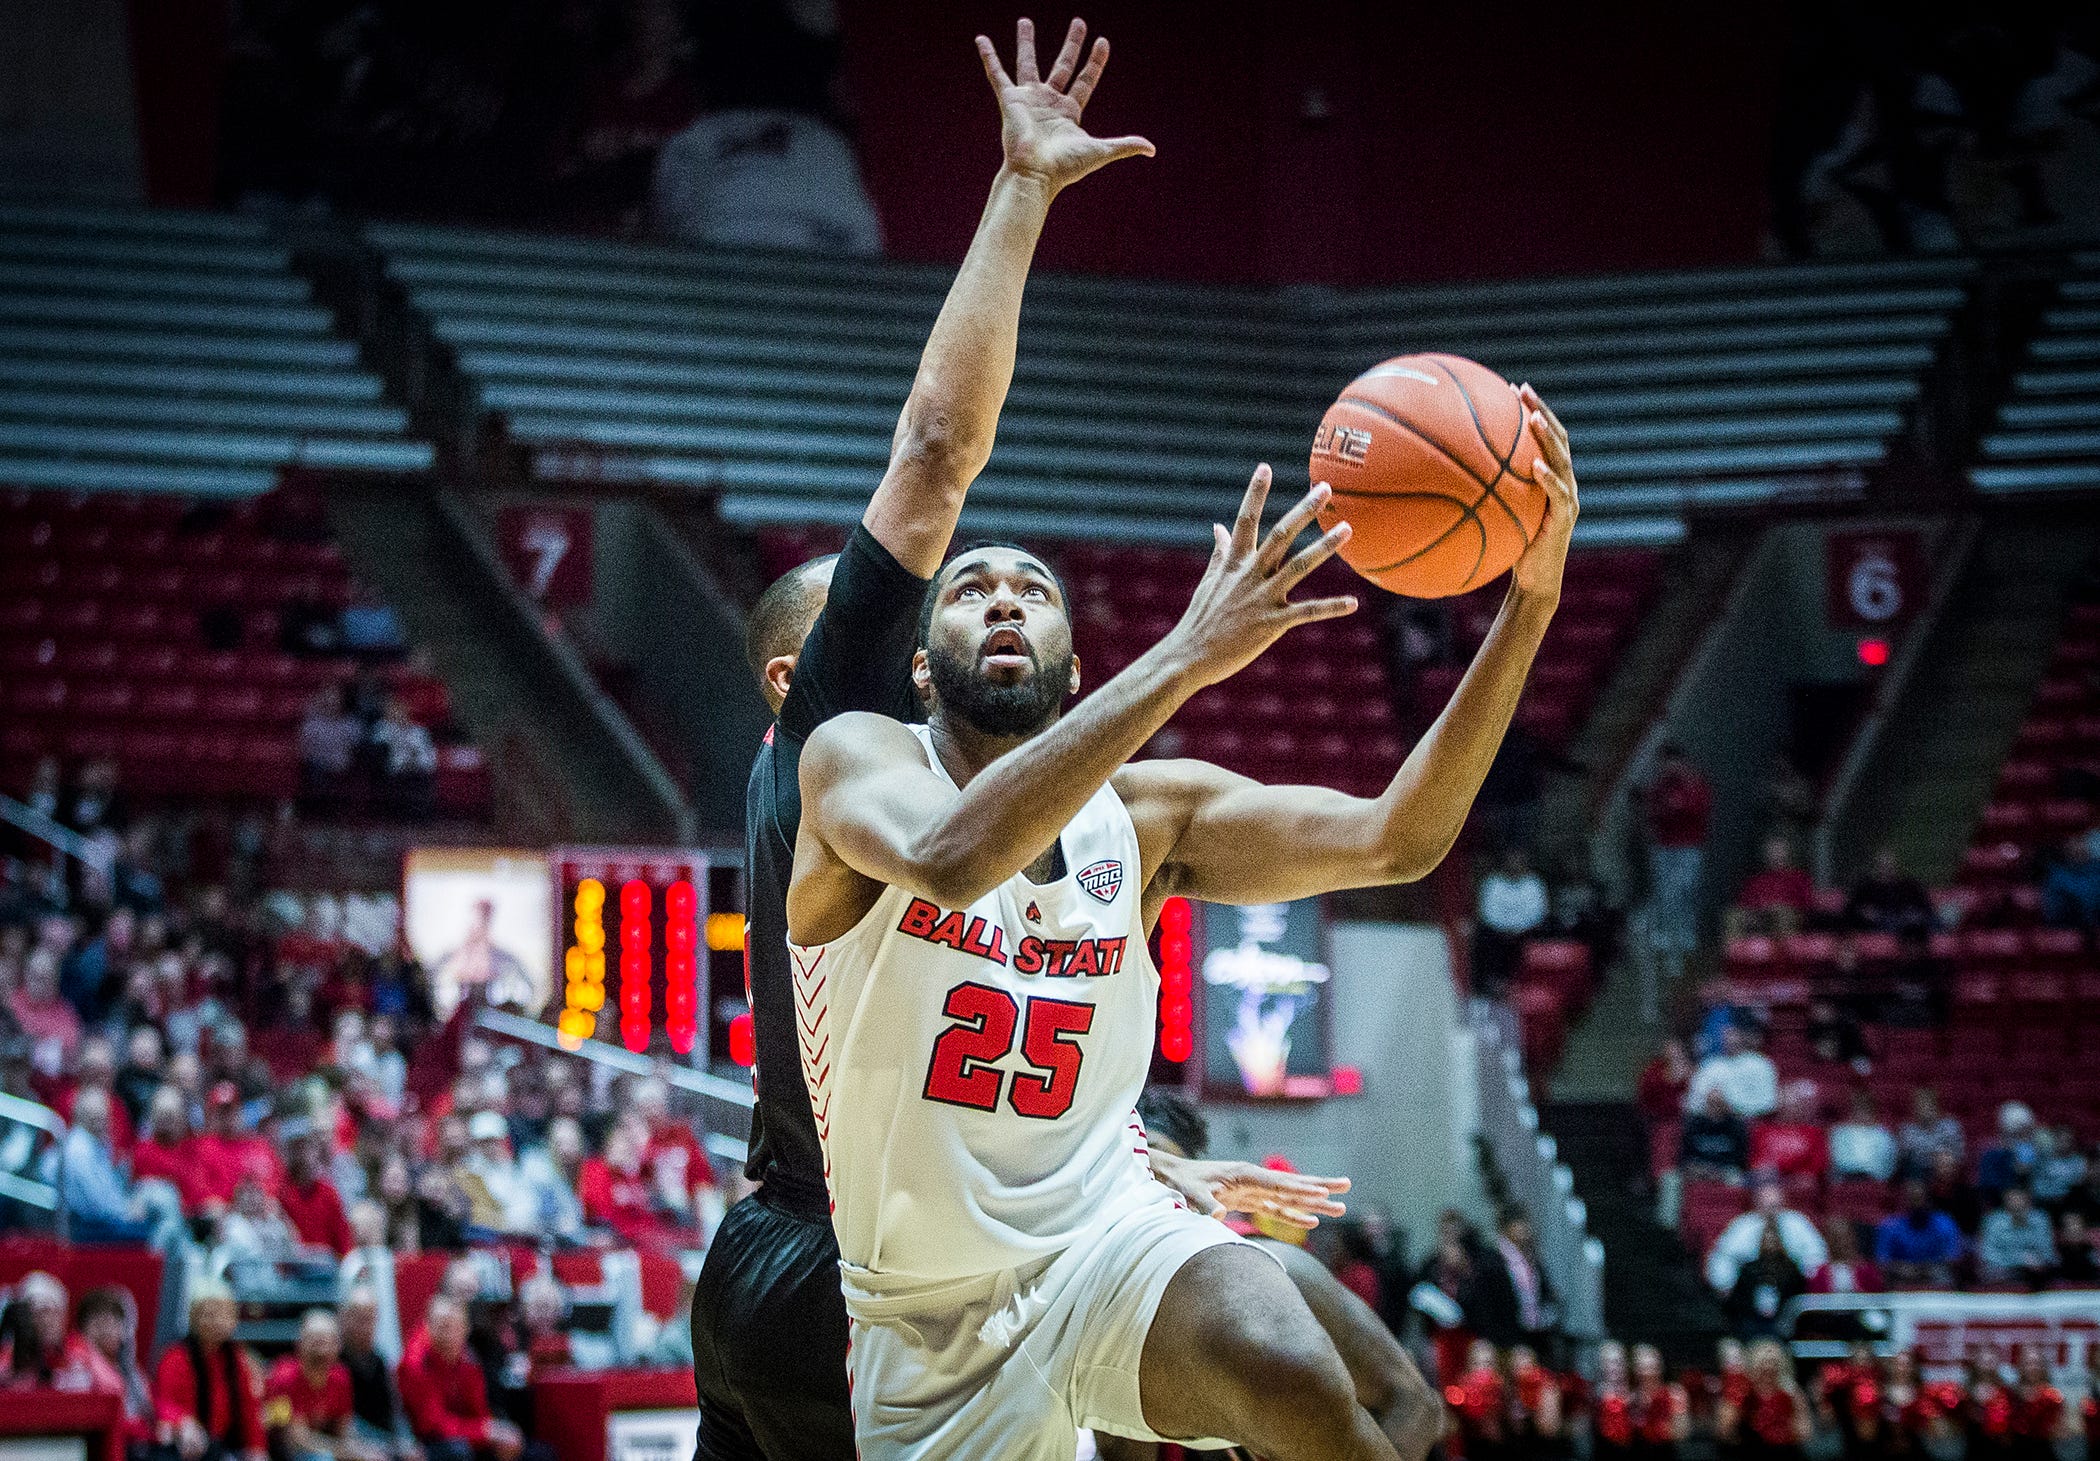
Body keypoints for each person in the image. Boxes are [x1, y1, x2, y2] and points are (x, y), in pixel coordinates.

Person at [693, 20, 1344, 1461]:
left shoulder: (837, 769)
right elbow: (936, 452)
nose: (924, 611)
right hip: (862, 1279)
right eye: (891, 615)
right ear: (806, 671)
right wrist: (1021, 189)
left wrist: (1145, 1172)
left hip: (759, 1256)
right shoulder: (847, 733)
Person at [785, 282, 1578, 1460]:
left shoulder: (1151, 818)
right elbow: (952, 861)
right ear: (917, 667)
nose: (1003, 600)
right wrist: (1187, 657)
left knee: (1288, 1364)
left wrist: (1532, 601)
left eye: (1033, 592)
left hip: (1108, 1242)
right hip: (925, 1313)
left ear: (1071, 666)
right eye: (970, 588)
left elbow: (1396, 839)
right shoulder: (858, 758)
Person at [1111, 1091, 1441, 1461]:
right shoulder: (1112, 1292)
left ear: (1199, 1178)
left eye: (1158, 1163)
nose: (1147, 1181)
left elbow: (1418, 1407)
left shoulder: (1273, 1264)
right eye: (1135, 1168)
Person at [397, 1296, 533, 1461]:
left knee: (535, 1451)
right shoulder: (416, 1364)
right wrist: (484, 1432)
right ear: (428, 1327)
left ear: (465, 1329)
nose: (448, 1334)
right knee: (459, 1451)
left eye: (453, 1327)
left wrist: (495, 1431)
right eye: (442, 1327)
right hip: (425, 1443)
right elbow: (432, 1425)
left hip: (465, 1436)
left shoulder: (468, 1359)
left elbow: (480, 1411)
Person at [53, 1085, 184, 1246]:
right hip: (93, 1229)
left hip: (105, 1218)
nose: (101, 1121)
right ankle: (164, 1260)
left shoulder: (92, 1144)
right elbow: (98, 1203)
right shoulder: (79, 1149)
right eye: (94, 1116)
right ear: (79, 1115)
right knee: (163, 1216)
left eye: (103, 1115)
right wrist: (127, 1213)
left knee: (164, 1197)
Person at [155, 1279, 266, 1461]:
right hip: (187, 1447)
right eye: (209, 1314)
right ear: (194, 1318)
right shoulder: (176, 1357)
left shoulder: (238, 1359)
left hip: (226, 1446)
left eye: (224, 1314)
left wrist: (257, 1448)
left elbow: (249, 1409)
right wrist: (183, 1422)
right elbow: (163, 1404)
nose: (217, 1321)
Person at [264, 1310, 386, 1461]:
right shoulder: (283, 1377)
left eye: (327, 1342)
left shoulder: (341, 1377)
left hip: (323, 1446)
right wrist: (349, 1452)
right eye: (316, 1342)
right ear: (299, 1344)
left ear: (338, 1346)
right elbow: (295, 1441)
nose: (322, 1351)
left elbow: (344, 1430)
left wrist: (363, 1451)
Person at [1642, 744, 1712, 980]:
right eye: (1662, 763)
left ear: (1679, 761)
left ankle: (1685, 939)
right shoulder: (1659, 786)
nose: (1666, 767)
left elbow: (1698, 811)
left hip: (1689, 847)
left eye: (1669, 762)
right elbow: (1653, 814)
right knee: (1666, 895)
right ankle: (1671, 945)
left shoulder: (1693, 782)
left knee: (1684, 893)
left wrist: (1676, 808)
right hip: (1664, 848)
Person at [1707, 1180, 1828, 1294]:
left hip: (1791, 1286)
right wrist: (1725, 1284)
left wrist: (1810, 1281)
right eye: (1767, 1206)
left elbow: (1816, 1255)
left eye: (1775, 1206)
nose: (1771, 1211)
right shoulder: (1743, 1225)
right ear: (1757, 1204)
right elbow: (1724, 1257)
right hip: (1749, 1289)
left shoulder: (1797, 1222)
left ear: (1782, 1203)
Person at [339, 1289, 419, 1461]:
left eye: (370, 1319)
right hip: (353, 1443)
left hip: (384, 1441)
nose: (365, 1326)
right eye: (359, 1318)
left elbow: (394, 1411)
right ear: (344, 1318)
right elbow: (342, 1421)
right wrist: (376, 1446)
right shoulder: (334, 1361)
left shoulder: (380, 1361)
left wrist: (406, 1442)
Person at [1716, 1340, 1811, 1461]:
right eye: (1764, 1362)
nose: (1769, 1367)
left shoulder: (1792, 1392)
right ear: (1754, 1364)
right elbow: (1724, 1430)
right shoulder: (1742, 1390)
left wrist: (1783, 1429)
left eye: (1774, 1362)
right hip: (1747, 1450)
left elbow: (1804, 1431)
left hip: (1785, 1451)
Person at [1473, 847, 1548, 996]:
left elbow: (1538, 913)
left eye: (1518, 859)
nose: (1514, 863)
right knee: (1483, 936)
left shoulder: (1534, 883)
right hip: (1497, 933)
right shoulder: (1493, 883)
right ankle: (1492, 983)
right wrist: (1504, 930)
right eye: (1511, 859)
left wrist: (1519, 929)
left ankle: (1533, 982)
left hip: (1527, 932)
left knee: (1545, 931)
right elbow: (1488, 913)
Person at [278, 1121, 355, 1256]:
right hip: (293, 1265)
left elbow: (343, 1241)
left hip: (326, 1265)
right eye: (296, 1148)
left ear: (314, 1150)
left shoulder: (328, 1193)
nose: (301, 1155)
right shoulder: (281, 1193)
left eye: (305, 1147)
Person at [1874, 1180, 1965, 1288]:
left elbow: (1954, 1257)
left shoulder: (1945, 1223)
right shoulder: (1890, 1226)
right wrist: (1901, 1268)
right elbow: (1883, 1261)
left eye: (1920, 1199)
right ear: (1905, 1202)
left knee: (1943, 1276)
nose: (1917, 1205)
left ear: (1928, 1200)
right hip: (1902, 1275)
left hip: (1935, 1273)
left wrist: (1926, 1269)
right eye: (1912, 1200)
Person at [1724, 1221, 1807, 1339]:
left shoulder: (1791, 1270)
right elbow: (1737, 1302)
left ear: (1779, 1242)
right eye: (1766, 1240)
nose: (1770, 1245)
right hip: (1752, 1325)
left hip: (1783, 1325)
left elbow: (1796, 1300)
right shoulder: (1749, 1269)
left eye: (1773, 1241)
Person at [1686, 1024, 1779, 1121]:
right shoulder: (1709, 1065)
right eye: (1726, 1035)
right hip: (1711, 1121)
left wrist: (1732, 1108)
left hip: (1750, 1122)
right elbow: (1692, 1102)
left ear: (1742, 1036)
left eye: (1733, 1034)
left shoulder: (1761, 1064)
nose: (1729, 1039)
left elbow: (1768, 1102)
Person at [1729, 836, 1816, 939]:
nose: (1775, 855)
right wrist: (1761, 909)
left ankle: (1784, 948)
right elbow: (1744, 903)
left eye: (1779, 851)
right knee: (1733, 916)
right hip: (1761, 915)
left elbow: (1808, 905)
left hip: (1789, 916)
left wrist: (1782, 907)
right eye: (1772, 851)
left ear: (1788, 853)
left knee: (1782, 914)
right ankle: (1735, 948)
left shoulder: (1799, 877)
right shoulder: (1757, 880)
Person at [1977, 1185, 2057, 1287]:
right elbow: (1988, 1254)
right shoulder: (1993, 1221)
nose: (2017, 1204)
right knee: (1991, 1272)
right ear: (2005, 1202)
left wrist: (2039, 1261)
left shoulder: (2041, 1220)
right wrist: (2019, 1260)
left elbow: (2048, 1251)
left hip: (2035, 1270)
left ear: (2029, 1201)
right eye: (2013, 1200)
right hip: (2003, 1268)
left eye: (2021, 1199)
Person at [1748, 1082, 1828, 1183]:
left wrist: (1799, 1174)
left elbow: (1818, 1164)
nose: (1788, 1108)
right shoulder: (1762, 1131)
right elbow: (1756, 1160)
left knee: (1806, 1182)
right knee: (1765, 1179)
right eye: (1784, 1104)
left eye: (1793, 1104)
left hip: (1801, 1177)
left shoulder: (1813, 1132)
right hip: (1770, 1178)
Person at [1846, 848, 1934, 940]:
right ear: (1876, 867)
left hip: (1905, 924)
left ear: (1896, 867)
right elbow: (1851, 910)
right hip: (1875, 925)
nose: (1886, 870)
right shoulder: (1865, 887)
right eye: (1883, 866)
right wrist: (1863, 912)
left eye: (1890, 866)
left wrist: (1915, 915)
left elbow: (1926, 908)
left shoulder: (1910, 886)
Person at [1895, 1088, 1964, 1180]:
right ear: (1915, 1110)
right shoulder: (1908, 1131)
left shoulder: (1950, 1126)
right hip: (1918, 1171)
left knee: (1946, 1160)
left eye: (1929, 1106)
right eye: (1921, 1106)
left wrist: (1942, 1157)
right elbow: (1903, 1157)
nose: (1925, 1110)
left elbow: (1959, 1154)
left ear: (1937, 1107)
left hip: (1945, 1169)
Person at [1828, 1091, 1896, 1183]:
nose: (1863, 1114)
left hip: (1875, 1179)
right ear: (1852, 1111)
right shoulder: (1840, 1132)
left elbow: (1888, 1162)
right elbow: (1839, 1160)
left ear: (1873, 1111)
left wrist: (1873, 1173)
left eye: (1866, 1110)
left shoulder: (1883, 1134)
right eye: (1859, 1110)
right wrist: (1859, 1170)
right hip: (1847, 1178)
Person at [1809, 1215, 1883, 1295]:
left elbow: (1877, 1296)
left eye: (1843, 1238)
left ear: (1851, 1238)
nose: (1841, 1243)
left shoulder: (1865, 1271)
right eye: (1836, 1239)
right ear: (1828, 1241)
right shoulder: (1820, 1274)